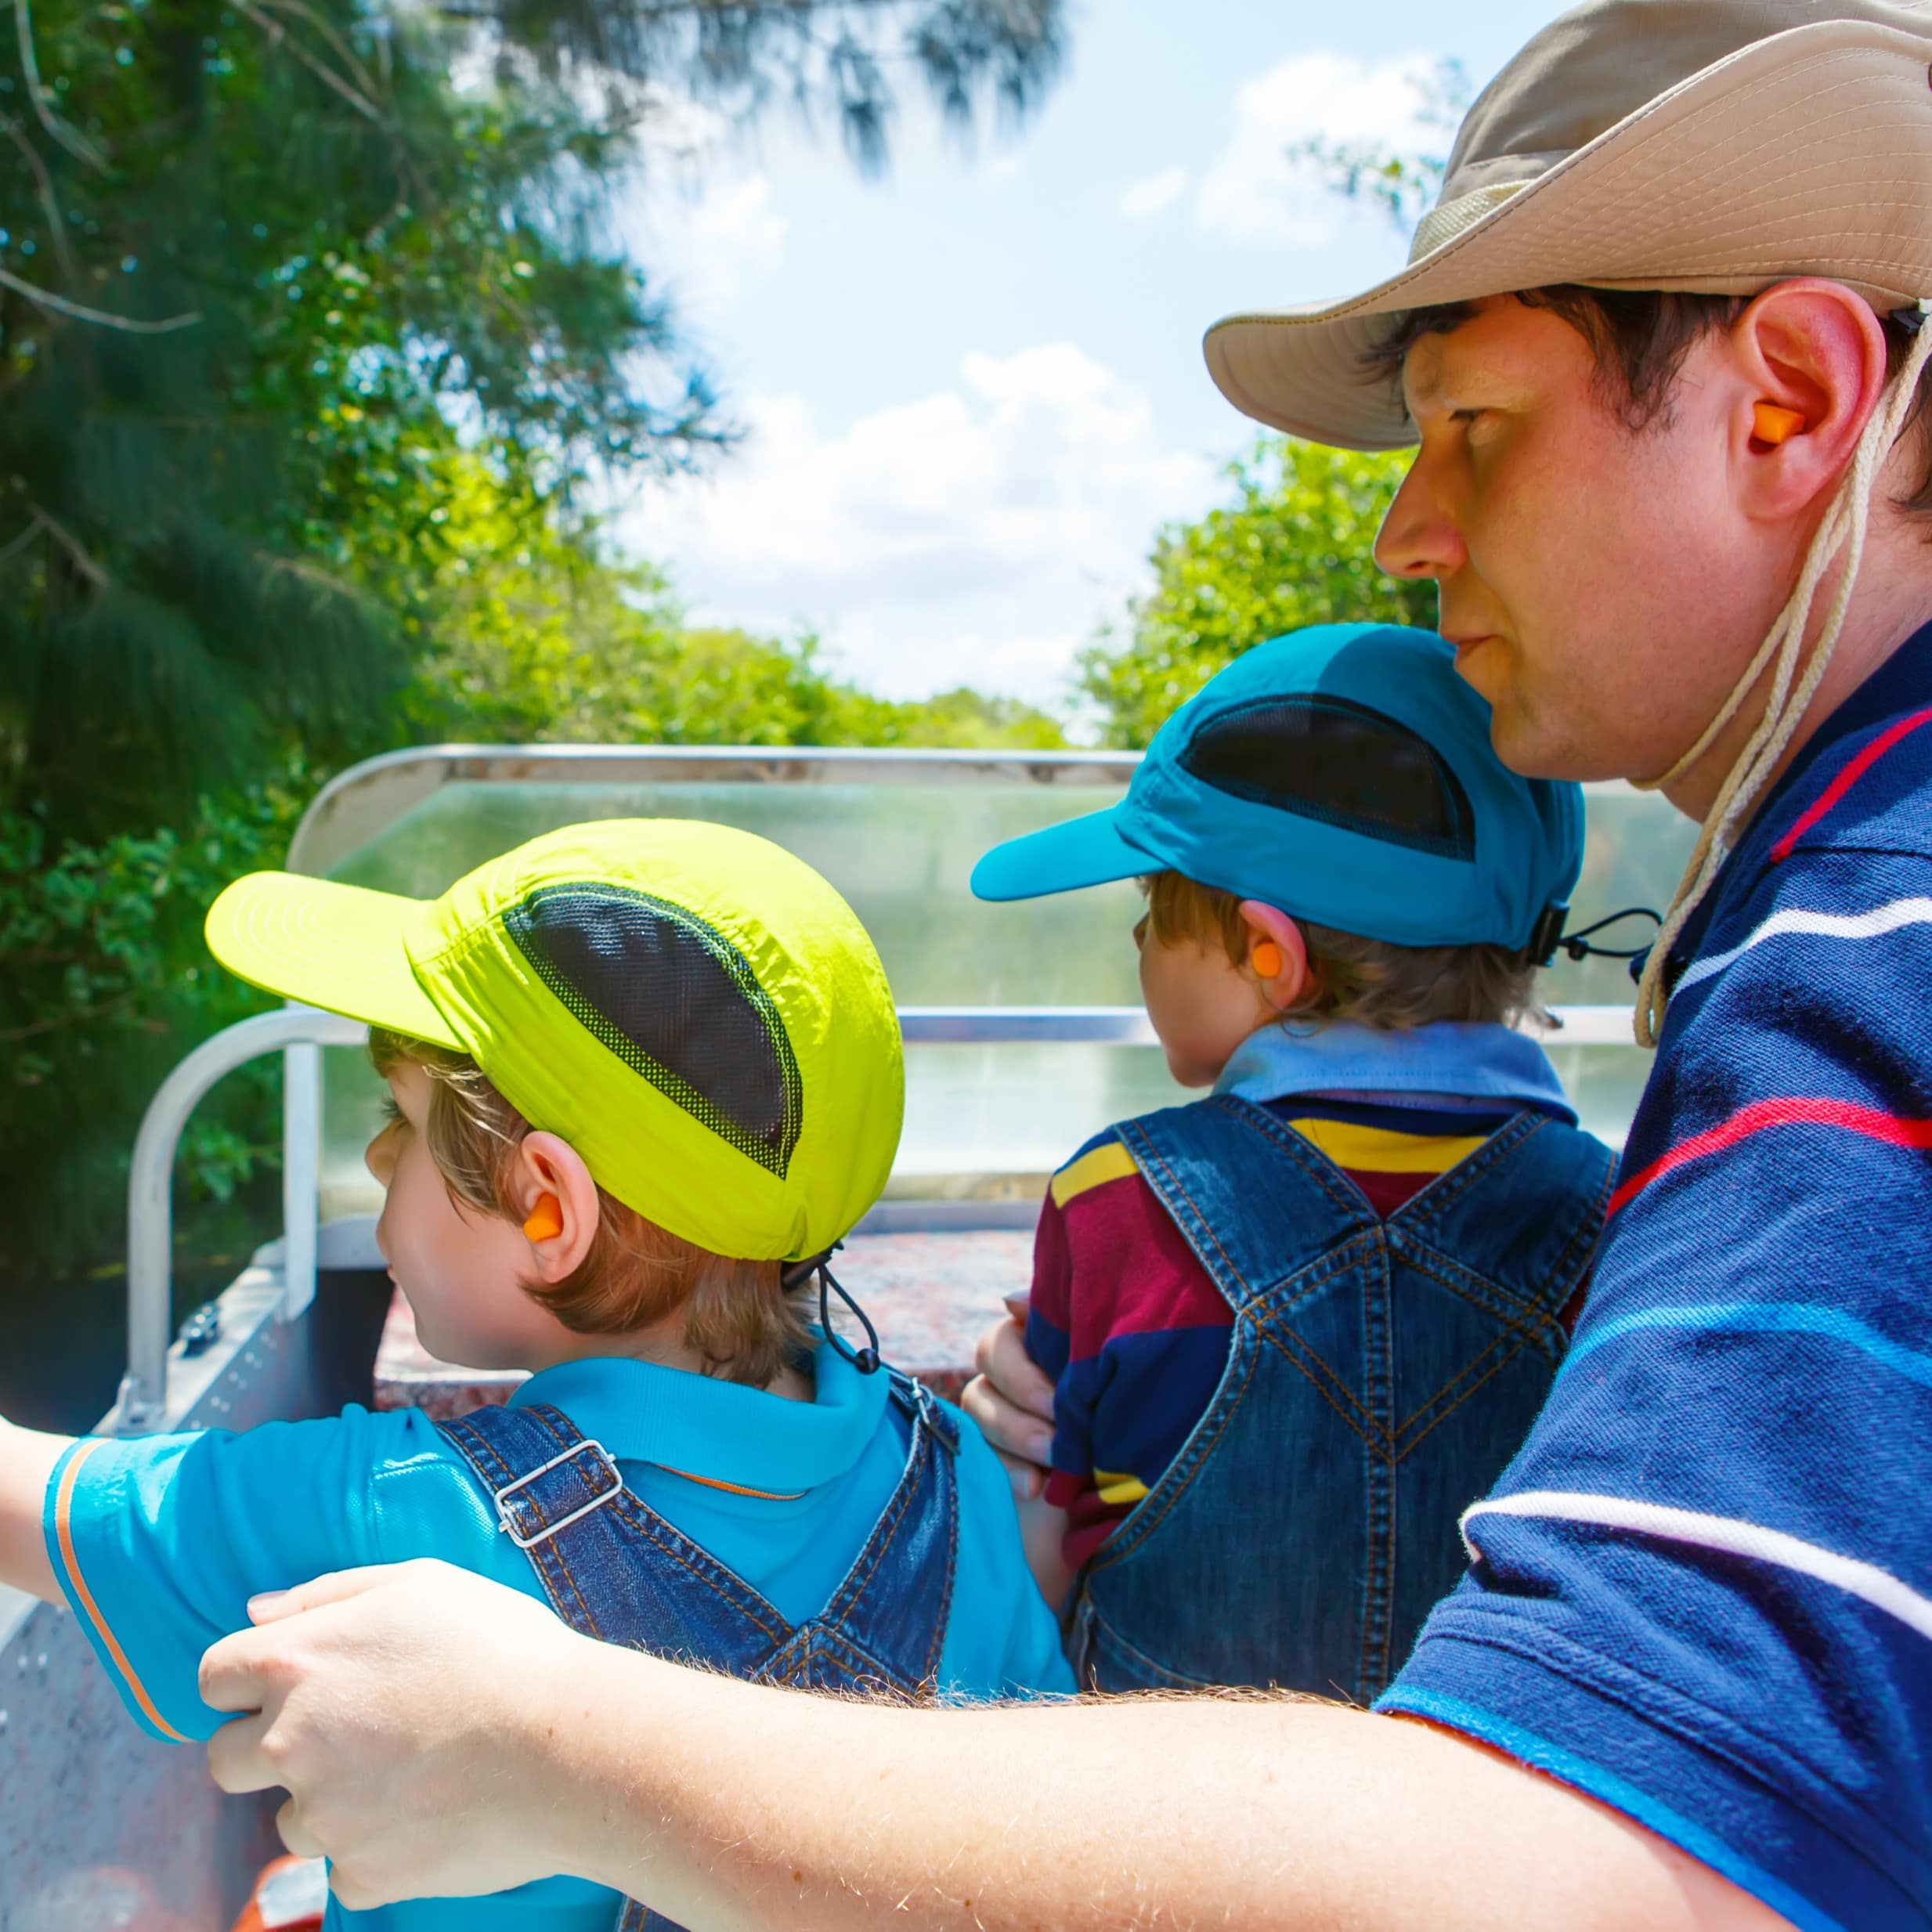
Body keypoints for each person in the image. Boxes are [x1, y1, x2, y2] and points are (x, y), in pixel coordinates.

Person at [179, 3, 1932, 1927]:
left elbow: (1632, 1871)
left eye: (1472, 426)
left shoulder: (1871, 955)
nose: (1402, 527)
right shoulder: (1773, 965)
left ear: (1785, 397)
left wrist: (559, 1753)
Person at [0, 818, 1070, 1932]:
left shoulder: (383, 1512)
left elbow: (32, 1504)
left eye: (401, 1122)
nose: (375, 1160)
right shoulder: (950, 1478)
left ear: (546, 1209)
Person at [969, 622, 1613, 1696]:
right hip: (1485, 1825)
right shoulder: (1616, 1211)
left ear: (1269, 956)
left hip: (1176, 1836)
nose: (1135, 947)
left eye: (1155, 912)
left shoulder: (1117, 1201)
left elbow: (1038, 1564)